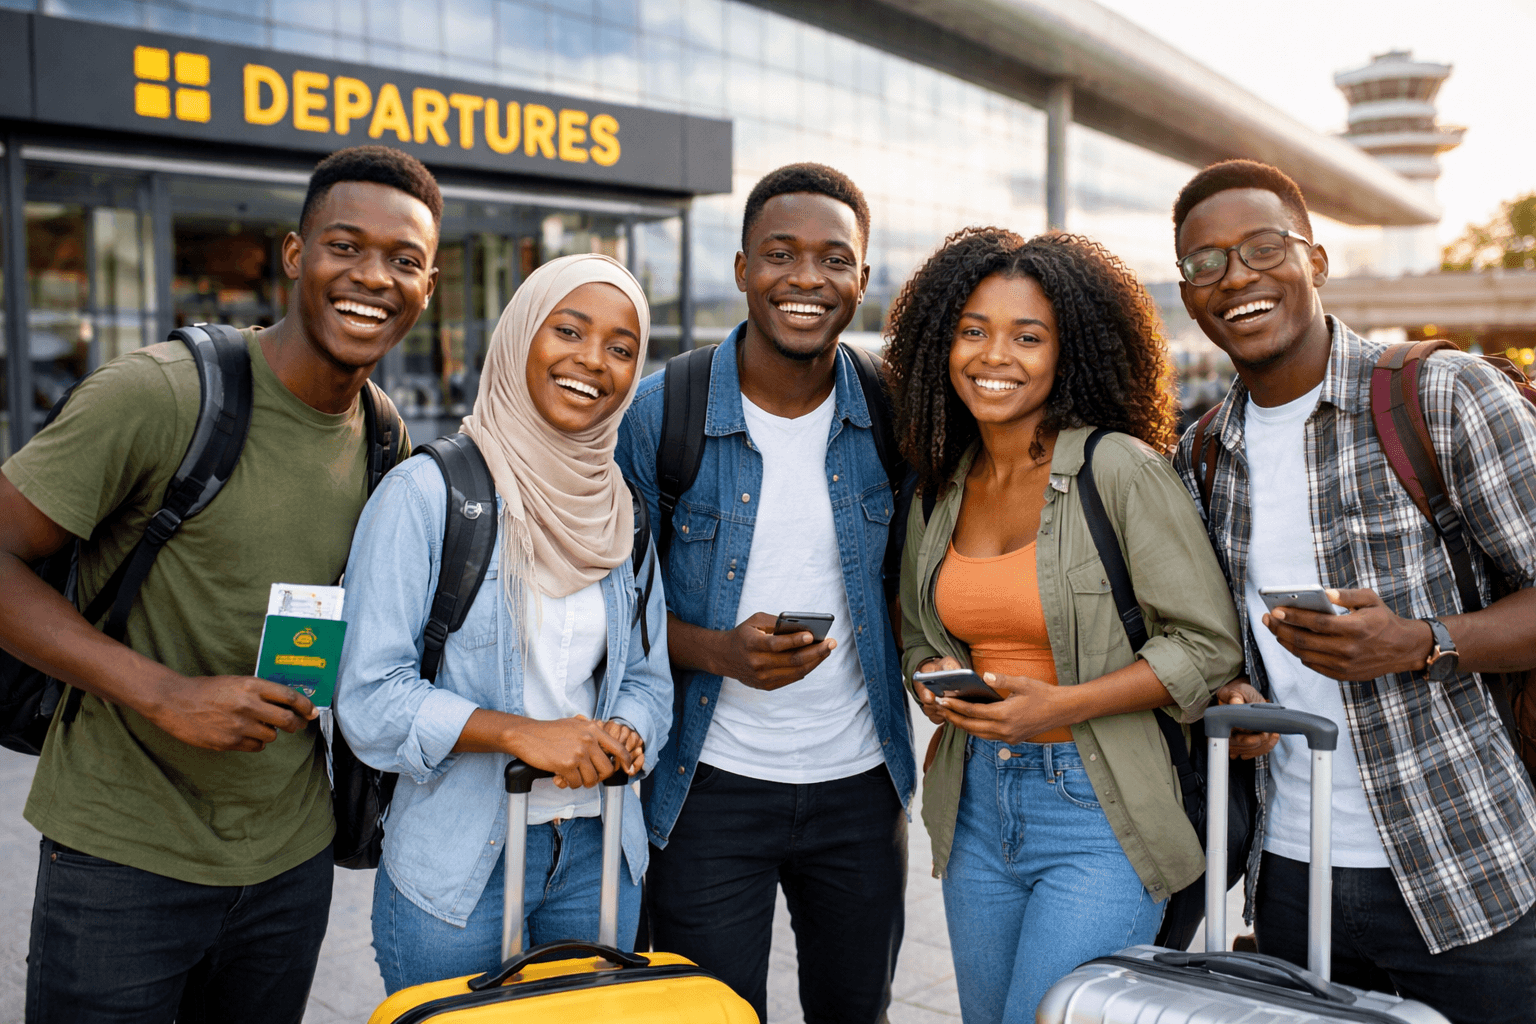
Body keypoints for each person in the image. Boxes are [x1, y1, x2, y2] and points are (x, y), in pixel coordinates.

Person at [0, 145, 434, 1024]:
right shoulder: (161, 396)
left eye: (405, 260)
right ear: (293, 254)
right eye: (345, 245)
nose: (373, 277)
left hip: (289, 864)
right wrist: (164, 693)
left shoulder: (390, 445)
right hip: (120, 862)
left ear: (428, 286)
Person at [1170, 159, 1536, 1023]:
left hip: (1470, 865)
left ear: (1318, 261)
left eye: (1264, 247)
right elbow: (1226, 646)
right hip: (1292, 882)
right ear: (1188, 294)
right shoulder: (1202, 456)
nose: (1238, 278)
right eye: (1206, 262)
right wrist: (1236, 695)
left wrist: (1424, 640)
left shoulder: (1443, 395)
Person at [885, 227, 1246, 1021]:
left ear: (1068, 350)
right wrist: (932, 681)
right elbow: (919, 632)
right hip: (977, 799)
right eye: (973, 330)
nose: (994, 355)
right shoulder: (938, 489)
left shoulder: (1117, 469)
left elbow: (1206, 646)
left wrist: (1061, 705)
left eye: (1027, 336)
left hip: (1097, 808)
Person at [614, 163, 913, 1024]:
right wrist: (717, 652)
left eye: (833, 259)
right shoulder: (661, 412)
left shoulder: (895, 413)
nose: (806, 279)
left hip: (860, 786)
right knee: (707, 1015)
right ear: (743, 268)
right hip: (709, 786)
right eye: (781, 254)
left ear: (861, 278)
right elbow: (610, 611)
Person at [335, 253, 671, 993]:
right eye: (570, 330)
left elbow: (649, 680)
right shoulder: (427, 495)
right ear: (523, 334)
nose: (594, 361)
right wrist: (518, 732)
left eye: (621, 348)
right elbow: (369, 701)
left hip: (597, 851)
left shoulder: (624, 512)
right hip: (460, 863)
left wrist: (626, 730)